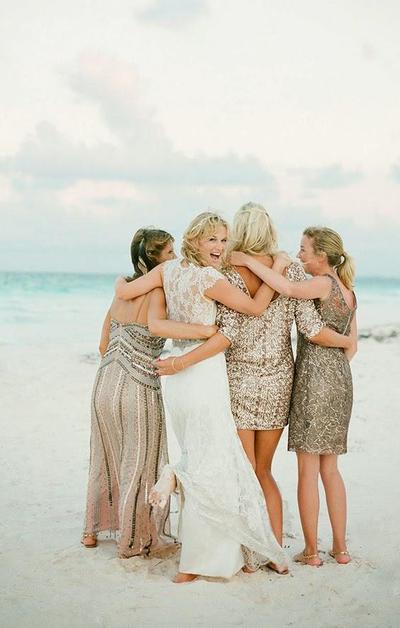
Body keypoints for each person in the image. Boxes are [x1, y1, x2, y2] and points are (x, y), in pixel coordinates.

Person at [155, 204, 353, 575]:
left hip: (238, 380)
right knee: (264, 471)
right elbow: (308, 325)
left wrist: (182, 356)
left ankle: (248, 557)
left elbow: (224, 330)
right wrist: (346, 340)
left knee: (244, 471)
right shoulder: (290, 271)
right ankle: (275, 555)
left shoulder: (225, 272)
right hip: (279, 378)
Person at [114, 212, 288, 583]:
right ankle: (203, 560)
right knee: (210, 461)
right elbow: (256, 308)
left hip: (175, 374)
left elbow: (124, 291)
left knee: (194, 457)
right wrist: (279, 271)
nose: (220, 248)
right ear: (193, 239)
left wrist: (124, 279)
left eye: (224, 241)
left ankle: (197, 555)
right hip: (200, 371)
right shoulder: (212, 278)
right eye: (212, 240)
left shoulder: (167, 271)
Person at [82, 228, 216, 558]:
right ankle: (131, 540)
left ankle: (91, 531)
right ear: (155, 262)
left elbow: (103, 345)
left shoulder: (120, 293)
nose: (175, 259)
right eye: (170, 253)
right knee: (139, 464)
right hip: (139, 386)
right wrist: (204, 331)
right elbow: (159, 326)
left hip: (103, 384)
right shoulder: (158, 291)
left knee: (106, 456)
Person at [231, 226, 357, 567]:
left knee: (307, 470)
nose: (300, 255)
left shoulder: (322, 283)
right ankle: (341, 550)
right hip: (341, 380)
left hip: (314, 380)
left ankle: (312, 552)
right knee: (331, 469)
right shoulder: (349, 291)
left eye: (304, 250)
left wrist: (248, 260)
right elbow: (351, 347)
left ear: (322, 256)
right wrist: (340, 353)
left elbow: (285, 288)